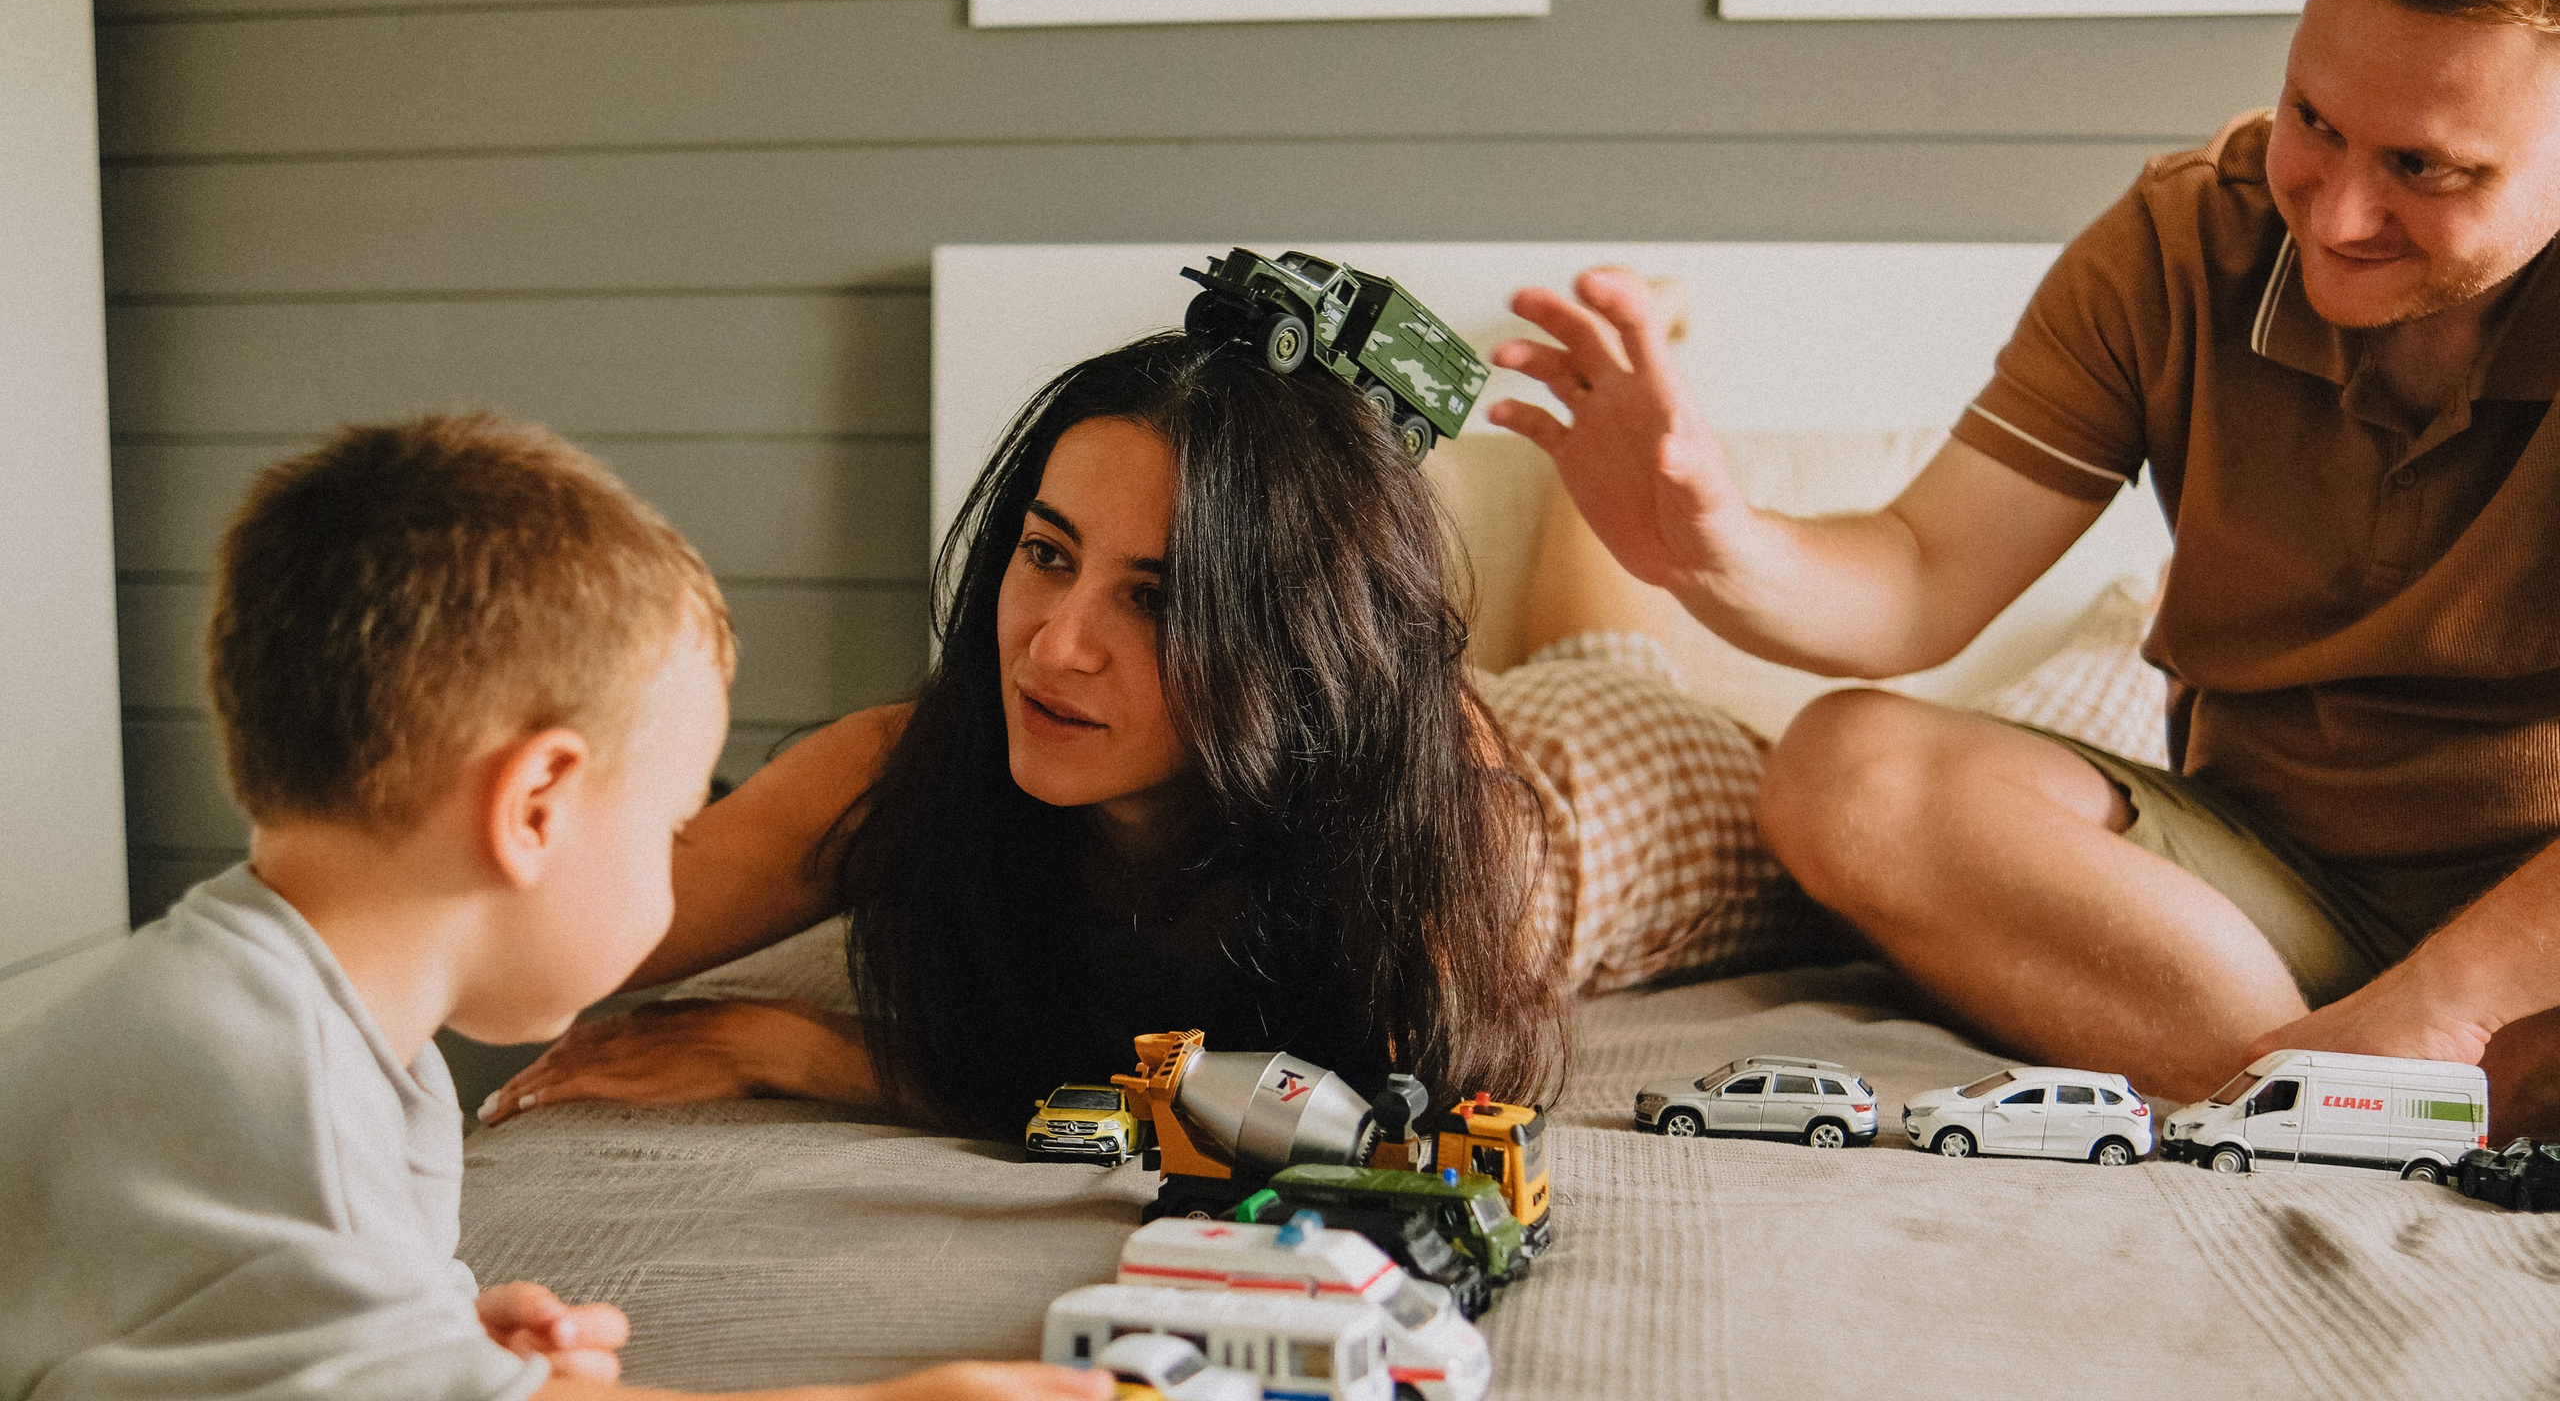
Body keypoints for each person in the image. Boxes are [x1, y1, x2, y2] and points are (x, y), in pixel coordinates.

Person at [0, 415, 1204, 1401]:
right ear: (534, 809)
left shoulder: (320, 1032)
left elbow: (200, 1331)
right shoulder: (253, 1073)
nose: (677, 863)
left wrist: (433, 1348)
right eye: (675, 820)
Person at [1484, 0, 2560, 1132]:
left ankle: (2354, 1091)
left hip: (2529, 931)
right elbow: (1919, 571)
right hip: (2251, 891)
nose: (2332, 211)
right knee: (1846, 774)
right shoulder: (2179, 245)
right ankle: (2333, 1103)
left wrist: (2451, 1001)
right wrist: (1716, 547)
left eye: (2424, 169)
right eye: (2314, 120)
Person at [479, 330, 1822, 1135]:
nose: (1057, 644)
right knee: (1591, 637)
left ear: (1298, 639)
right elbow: (560, 921)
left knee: (1612, 671)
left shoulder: (1438, 820)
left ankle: (1631, 371)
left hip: (1629, 780)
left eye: (1162, 598)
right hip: (1491, 715)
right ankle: (1611, 368)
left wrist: (804, 1049)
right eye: (1047, 553)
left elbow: (1348, 1116)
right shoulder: (914, 762)